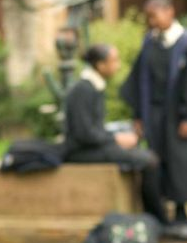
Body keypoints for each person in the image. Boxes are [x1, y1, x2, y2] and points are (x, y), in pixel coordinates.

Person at [119, 0, 187, 241]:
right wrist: (138, 116)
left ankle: (182, 214)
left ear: (170, 11)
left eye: (154, 16)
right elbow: (139, 81)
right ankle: (160, 216)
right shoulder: (149, 43)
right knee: (156, 162)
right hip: (153, 115)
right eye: (149, 17)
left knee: (180, 163)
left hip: (179, 116)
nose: (151, 21)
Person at [63, 44, 167, 225]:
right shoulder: (83, 89)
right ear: (100, 65)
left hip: (92, 146)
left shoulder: (94, 86)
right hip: (80, 151)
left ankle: (153, 214)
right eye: (114, 61)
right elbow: (83, 133)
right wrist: (116, 139)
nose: (118, 66)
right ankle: (156, 218)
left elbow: (94, 129)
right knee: (149, 160)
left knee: (144, 152)